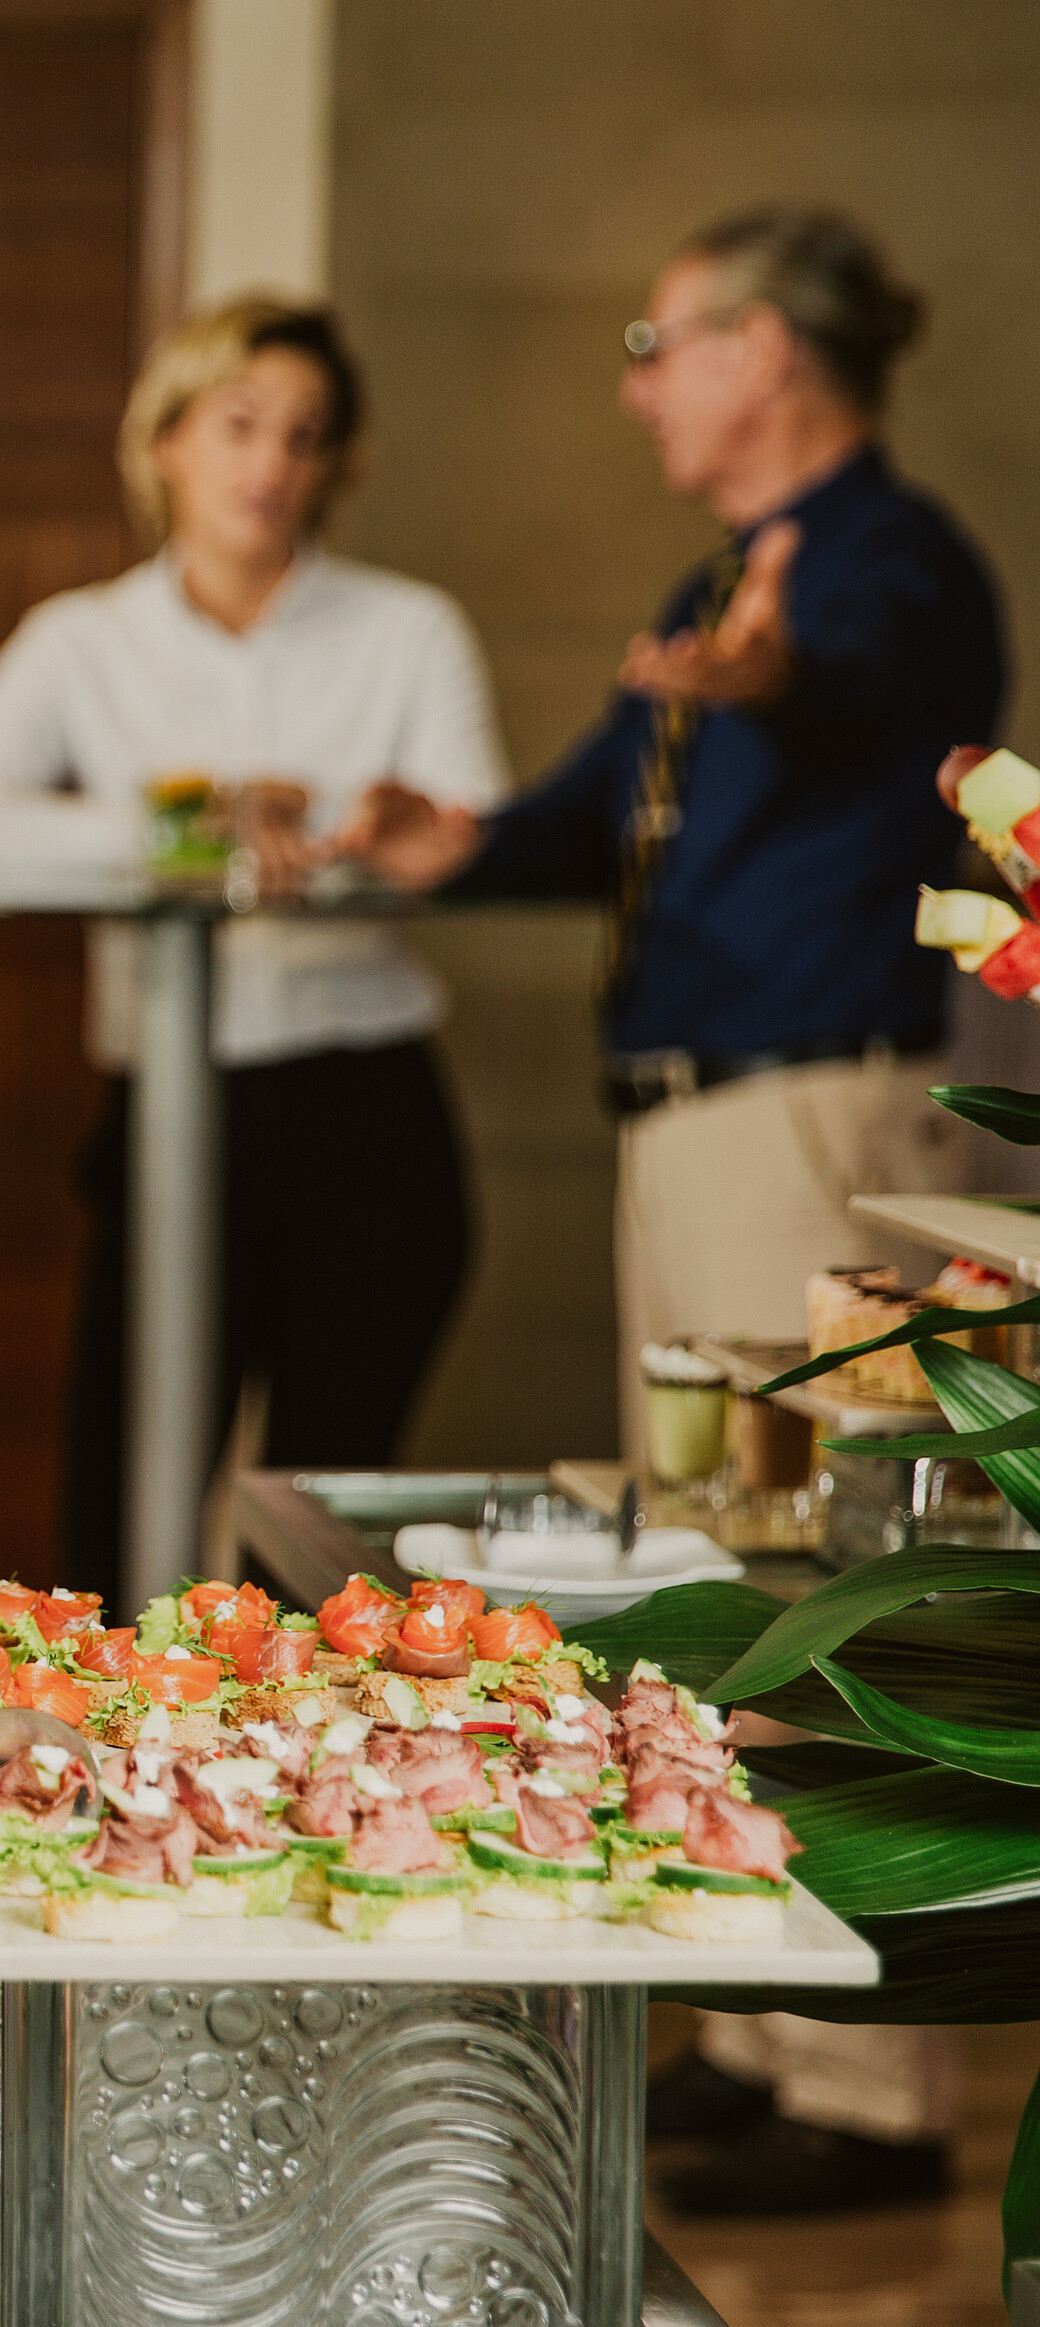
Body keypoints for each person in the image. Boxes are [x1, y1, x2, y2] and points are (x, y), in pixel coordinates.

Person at [339, 205, 1003, 2218]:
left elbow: (856, 694)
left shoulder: (882, 563)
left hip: (808, 1115)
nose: (631, 379)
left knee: (835, 1561)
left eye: (659, 338)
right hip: (693, 1119)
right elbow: (590, 800)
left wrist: (769, 665)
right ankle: (749, 2017)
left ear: (765, 350)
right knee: (725, 1569)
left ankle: (868, 2092)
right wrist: (445, 844)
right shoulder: (719, 577)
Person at [0, 296, 507, 1598]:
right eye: (240, 426)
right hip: (171, 1115)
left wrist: (400, 835)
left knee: (315, 1529)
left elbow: (478, 835)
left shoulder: (409, 629)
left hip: (367, 1108)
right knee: (115, 1502)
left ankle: (291, 1788)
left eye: (305, 436)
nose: (272, 465)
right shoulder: (82, 640)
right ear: (165, 440)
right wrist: (184, 825)